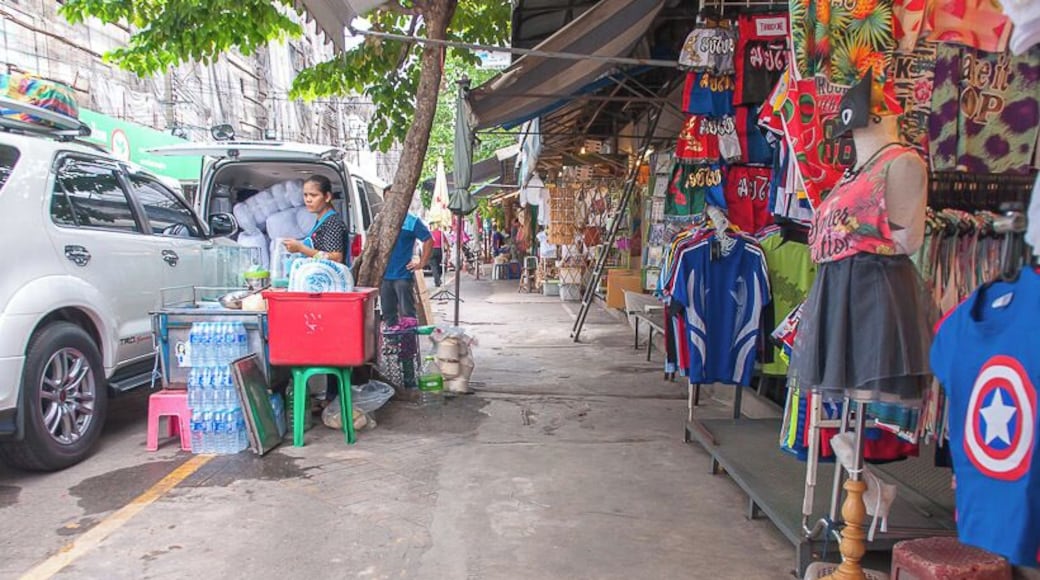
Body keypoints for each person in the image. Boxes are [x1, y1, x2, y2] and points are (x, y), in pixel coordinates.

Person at [382, 211, 432, 328]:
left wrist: (422, 263)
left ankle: (408, 344)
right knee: (388, 314)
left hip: (402, 276)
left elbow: (428, 240)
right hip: (384, 276)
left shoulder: (411, 220)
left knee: (407, 315)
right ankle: (392, 343)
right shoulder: (381, 218)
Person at [281, 175, 346, 263]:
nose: (308, 200)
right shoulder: (321, 220)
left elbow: (336, 258)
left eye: (313, 195)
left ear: (327, 197)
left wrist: (301, 248)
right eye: (305, 195)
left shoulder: (332, 222)